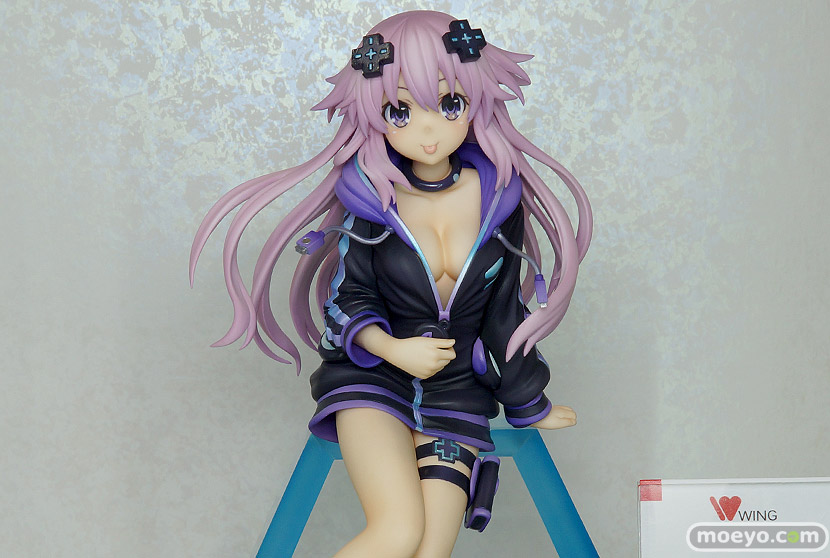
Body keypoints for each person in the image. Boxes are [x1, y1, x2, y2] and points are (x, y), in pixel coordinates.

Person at [190, 10, 592, 558]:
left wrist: (528, 401)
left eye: (450, 104)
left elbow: (503, 313)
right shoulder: (373, 200)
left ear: (477, 101)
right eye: (399, 111)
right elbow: (346, 296)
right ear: (374, 114)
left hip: (456, 393)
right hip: (374, 381)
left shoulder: (499, 201)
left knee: (431, 550)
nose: (427, 130)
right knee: (397, 532)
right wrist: (391, 347)